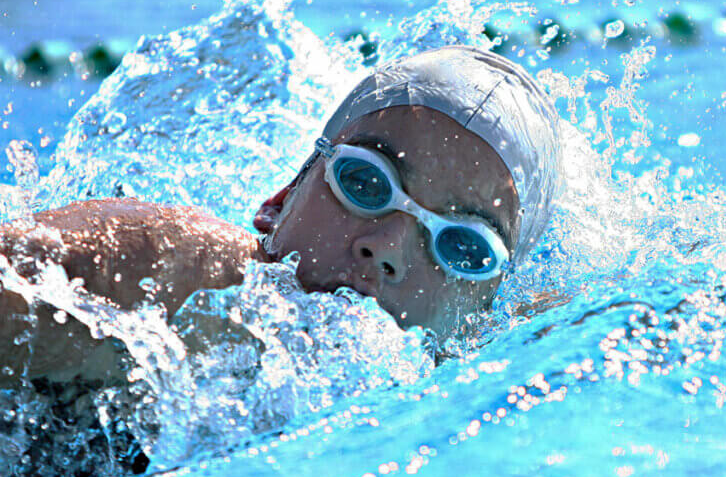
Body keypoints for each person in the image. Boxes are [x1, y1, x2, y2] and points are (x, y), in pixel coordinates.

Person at [0, 45, 561, 387]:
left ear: (478, 317)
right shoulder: (169, 273)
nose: (387, 246)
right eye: (365, 183)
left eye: (462, 247)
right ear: (280, 200)